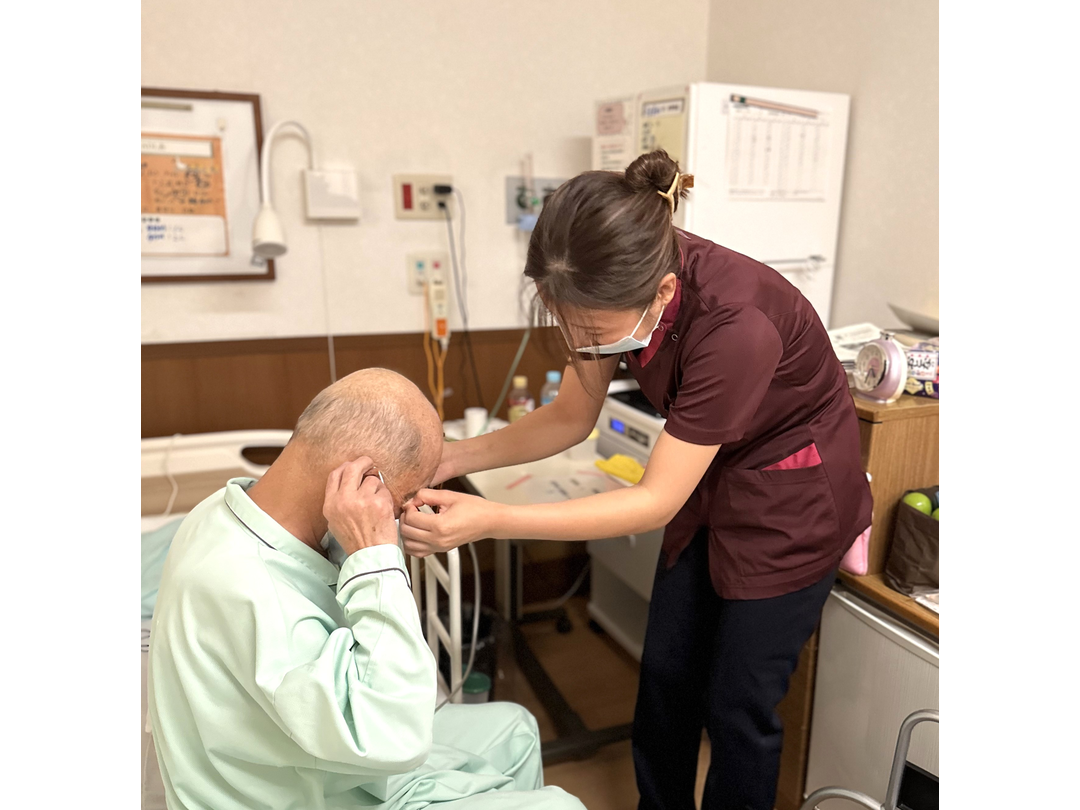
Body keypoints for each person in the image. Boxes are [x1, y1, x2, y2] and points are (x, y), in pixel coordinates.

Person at [400, 151, 874, 810]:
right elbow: (570, 418)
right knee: (666, 680)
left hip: (791, 504)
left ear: (662, 294)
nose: (577, 338)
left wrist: (490, 521)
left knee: (739, 705)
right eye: (564, 320)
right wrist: (450, 459)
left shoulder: (739, 324)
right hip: (709, 484)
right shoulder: (606, 283)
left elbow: (654, 500)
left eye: (590, 332)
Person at [147, 368, 584, 810]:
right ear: (360, 479)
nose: (405, 509)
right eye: (406, 496)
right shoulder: (254, 593)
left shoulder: (230, 508)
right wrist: (375, 561)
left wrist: (365, 542)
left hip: (312, 753)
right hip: (303, 789)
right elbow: (393, 737)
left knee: (515, 728)